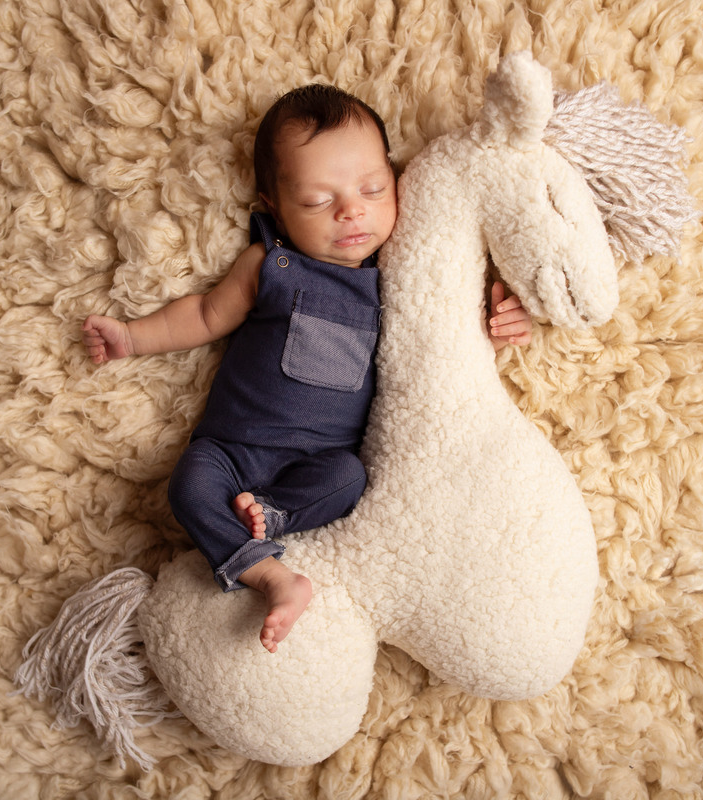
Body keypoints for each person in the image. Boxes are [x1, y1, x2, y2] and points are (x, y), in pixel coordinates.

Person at [82, 85, 532, 653]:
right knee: (189, 486)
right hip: (231, 449)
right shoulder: (270, 264)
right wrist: (132, 337)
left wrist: (504, 324)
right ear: (275, 207)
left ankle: (273, 515)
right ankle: (269, 573)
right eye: (318, 201)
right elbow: (203, 314)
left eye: (373, 189)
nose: (352, 211)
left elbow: (444, 347)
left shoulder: (399, 278)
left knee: (349, 479)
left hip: (318, 462)